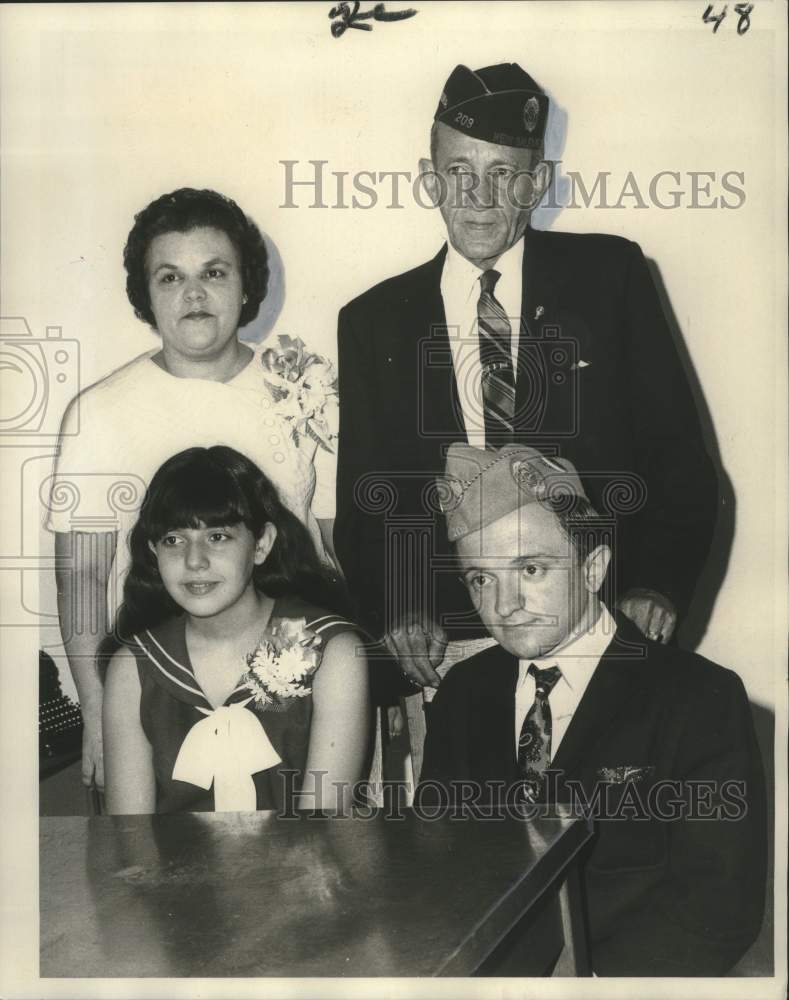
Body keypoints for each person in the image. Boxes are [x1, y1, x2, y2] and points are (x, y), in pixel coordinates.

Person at [335, 62, 718, 692]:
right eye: (459, 173)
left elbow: (678, 460)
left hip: (601, 622)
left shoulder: (610, 278)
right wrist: (403, 608)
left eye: (502, 175)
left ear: (537, 182)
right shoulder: (374, 321)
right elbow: (366, 499)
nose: (479, 199)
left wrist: (655, 585)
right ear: (429, 180)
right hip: (452, 644)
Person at [419, 443, 766, 976]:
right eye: (481, 579)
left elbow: (717, 911)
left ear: (594, 566)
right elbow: (439, 868)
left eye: (530, 568)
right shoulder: (463, 693)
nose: (504, 605)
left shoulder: (699, 700)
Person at [47, 188, 337, 792]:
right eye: (170, 277)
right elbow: (80, 583)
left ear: (245, 283)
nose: (194, 294)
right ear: (146, 294)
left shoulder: (301, 386)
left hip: (297, 675)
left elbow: (332, 541)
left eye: (213, 272)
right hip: (160, 684)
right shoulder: (100, 413)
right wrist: (100, 713)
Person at [103, 446, 368, 814]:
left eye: (217, 537)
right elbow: (131, 840)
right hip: (172, 871)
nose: (194, 561)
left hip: (306, 866)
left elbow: (322, 827)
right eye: (173, 540)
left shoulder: (329, 651)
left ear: (261, 544)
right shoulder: (135, 667)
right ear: (153, 553)